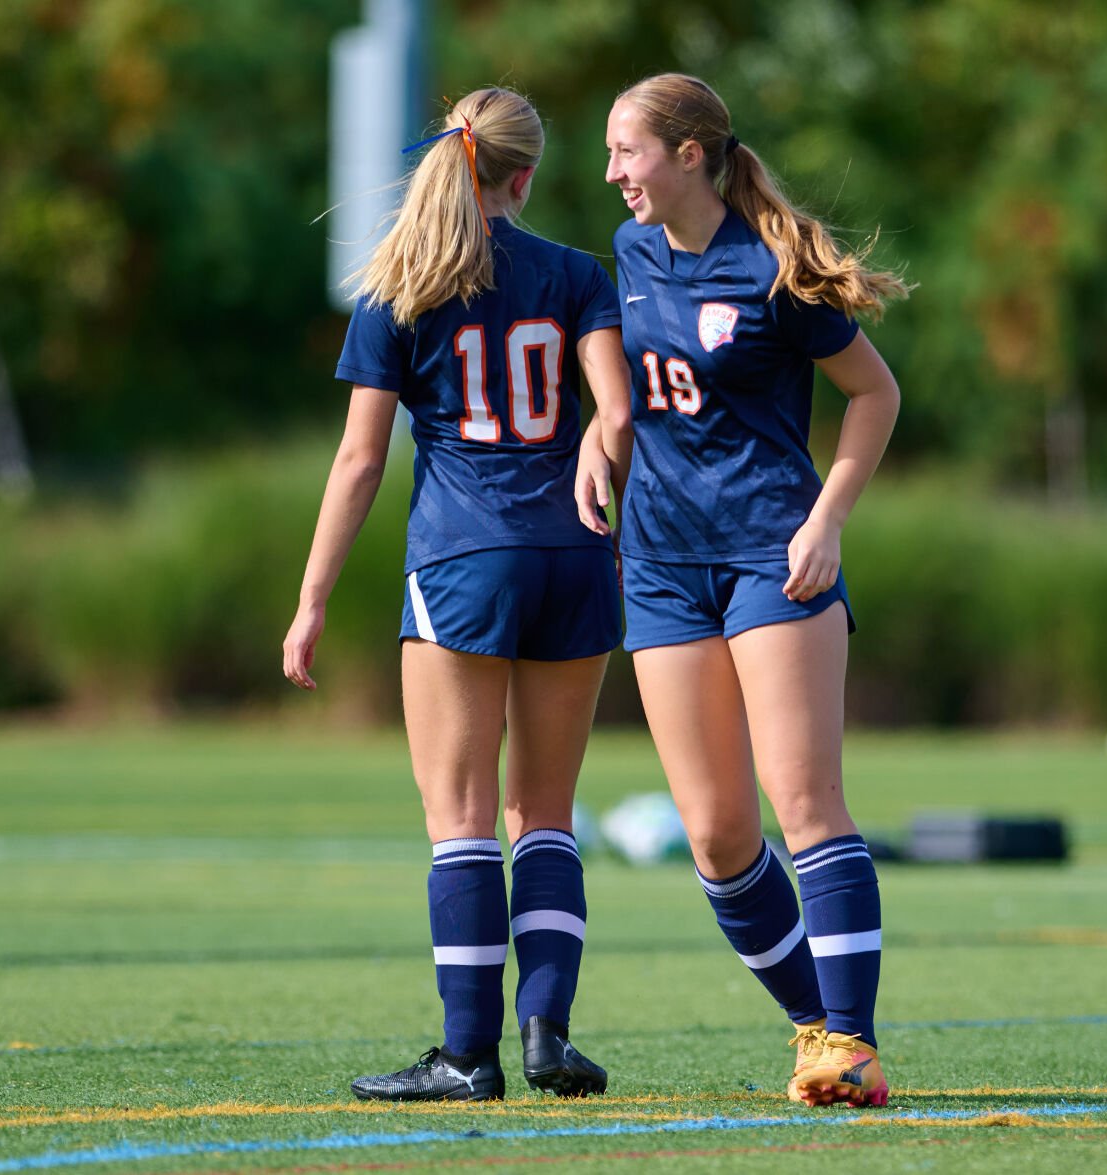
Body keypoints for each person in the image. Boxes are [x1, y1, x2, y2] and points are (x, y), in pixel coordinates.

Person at [283, 87, 633, 1102]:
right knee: (548, 813)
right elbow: (616, 410)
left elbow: (359, 461)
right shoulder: (573, 272)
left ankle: (469, 1052)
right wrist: (590, 462)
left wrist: (310, 601)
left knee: (465, 818)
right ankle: (549, 1035)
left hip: (463, 561)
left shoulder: (401, 284)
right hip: (574, 553)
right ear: (524, 177)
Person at [579, 73, 908, 1108]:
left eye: (624, 151)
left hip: (776, 555)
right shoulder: (627, 255)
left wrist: (827, 522)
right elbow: (631, 389)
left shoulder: (773, 267)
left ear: (687, 155)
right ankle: (817, 1027)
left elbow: (874, 394)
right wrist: (601, 430)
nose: (610, 172)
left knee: (805, 803)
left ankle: (850, 1040)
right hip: (663, 570)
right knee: (720, 836)